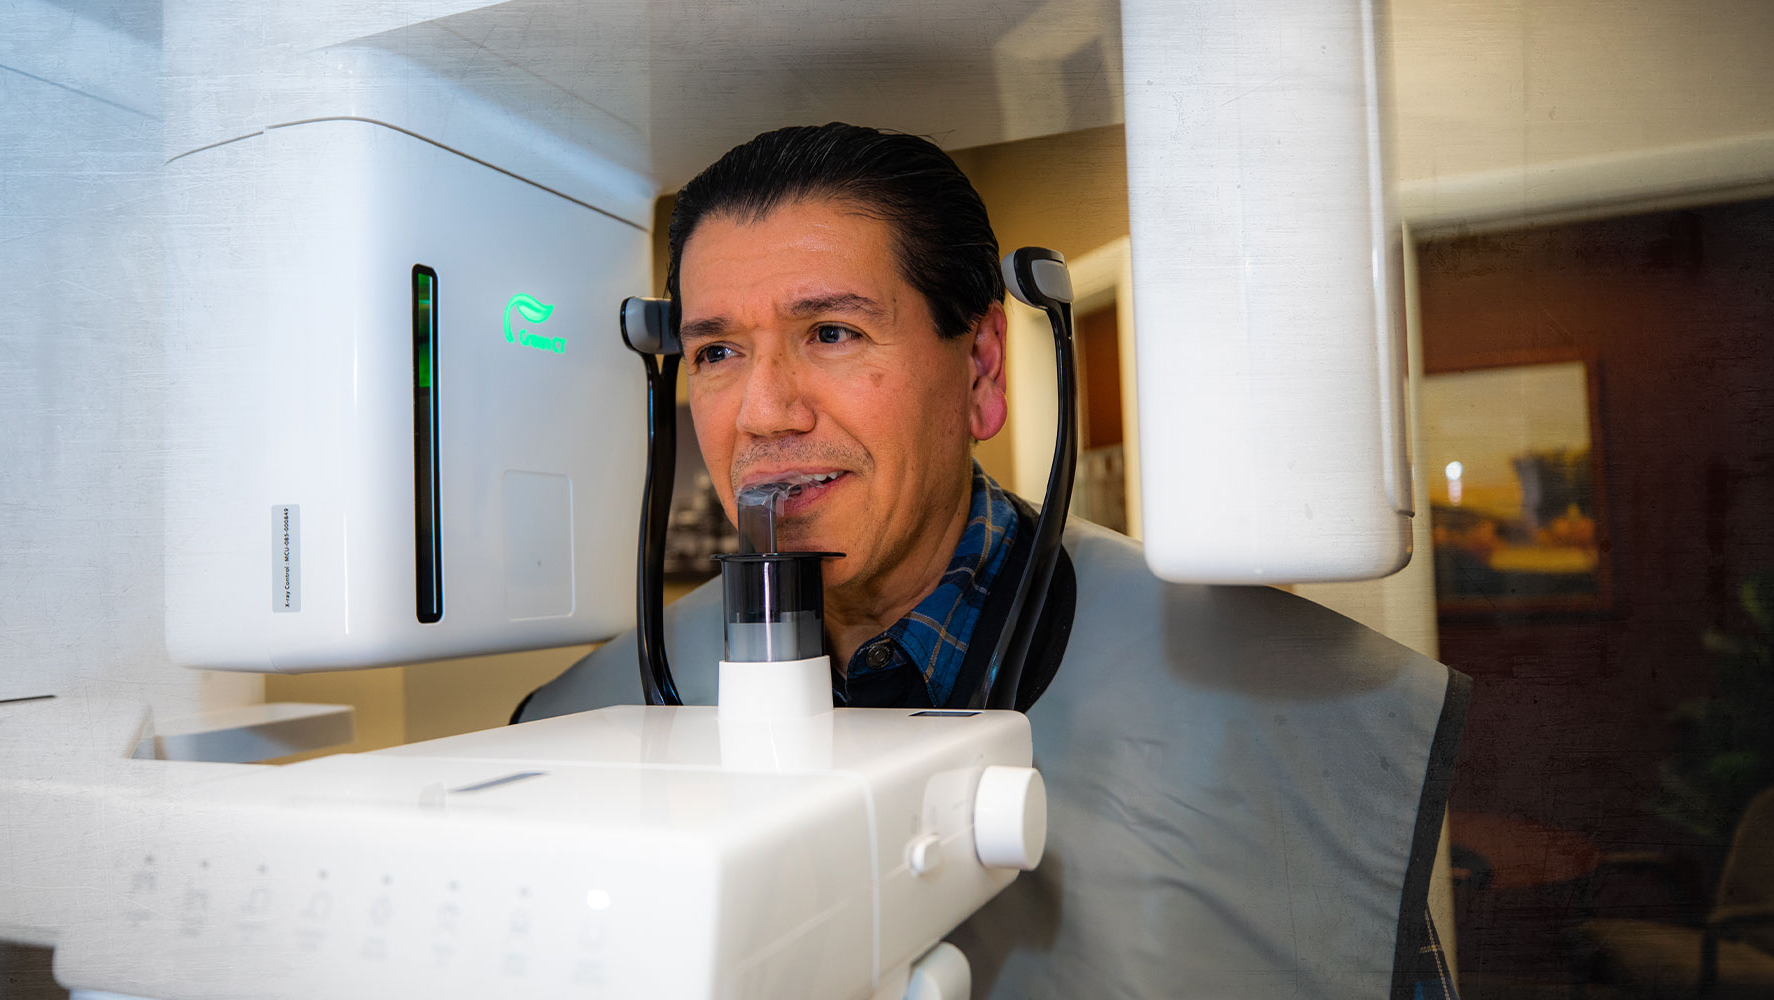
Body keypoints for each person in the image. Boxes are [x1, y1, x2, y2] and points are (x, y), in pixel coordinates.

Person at [518, 123, 1467, 1000]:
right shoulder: (583, 723)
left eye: (832, 333)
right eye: (718, 350)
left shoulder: (1276, 703)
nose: (763, 413)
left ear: (979, 370)